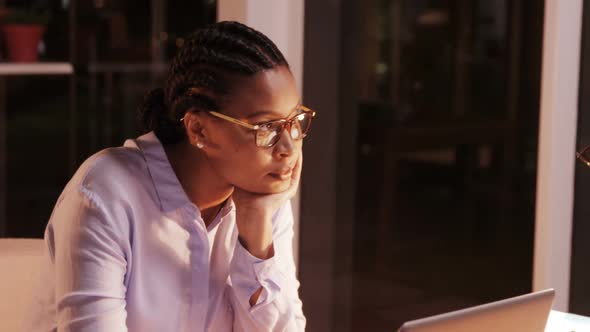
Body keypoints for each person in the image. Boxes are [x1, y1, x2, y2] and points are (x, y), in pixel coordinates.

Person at [25, 21, 313, 332]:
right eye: (266, 128)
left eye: (294, 121)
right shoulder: (104, 194)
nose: (288, 147)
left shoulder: (262, 200)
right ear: (198, 129)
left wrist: (256, 230)